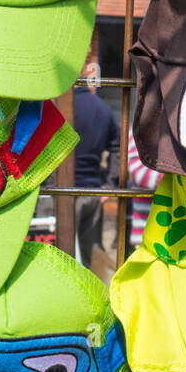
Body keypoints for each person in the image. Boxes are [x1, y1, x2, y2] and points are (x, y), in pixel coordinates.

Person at [73, 60, 120, 269]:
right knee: (90, 262)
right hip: (93, 192)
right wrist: (108, 185)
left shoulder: (57, 106)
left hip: (60, 193)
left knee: (58, 256)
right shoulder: (103, 109)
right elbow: (118, 147)